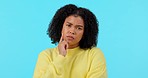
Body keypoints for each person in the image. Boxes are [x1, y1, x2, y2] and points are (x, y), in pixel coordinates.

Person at [33, 4, 107, 78]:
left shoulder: (94, 54)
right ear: (60, 26)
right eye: (68, 25)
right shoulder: (46, 55)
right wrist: (61, 57)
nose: (72, 31)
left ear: (85, 32)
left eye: (79, 28)